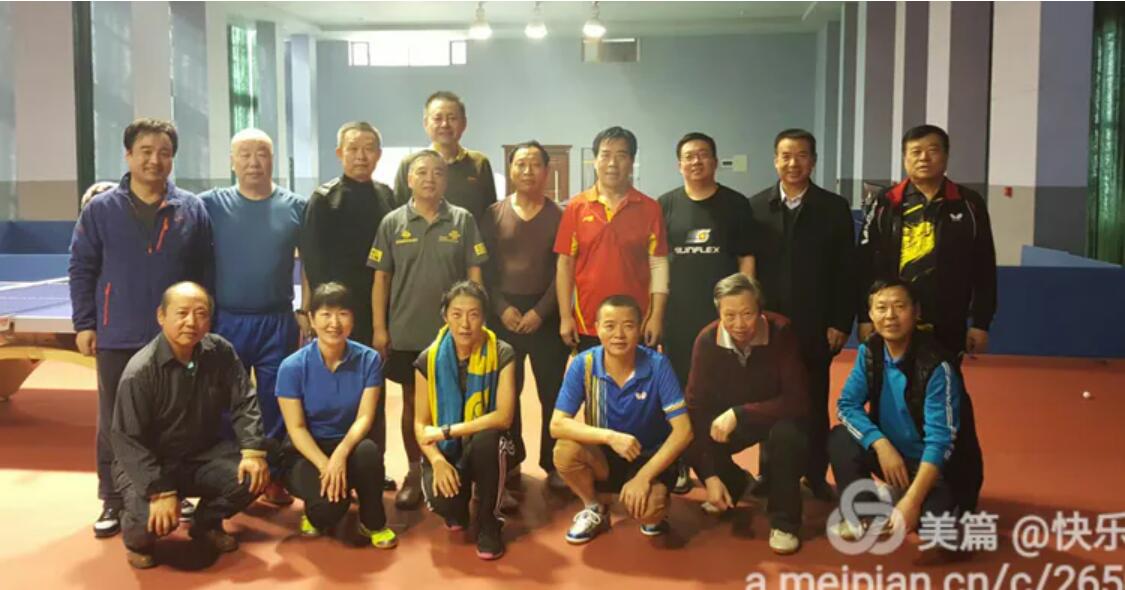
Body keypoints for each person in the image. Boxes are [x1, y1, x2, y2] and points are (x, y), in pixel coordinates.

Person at [69, 118, 213, 538]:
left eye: (164, 152)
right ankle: (113, 498)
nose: (155, 160)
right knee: (114, 421)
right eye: (146, 151)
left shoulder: (192, 209)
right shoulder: (100, 209)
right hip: (118, 332)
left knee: (177, 419)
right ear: (128, 155)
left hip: (177, 337)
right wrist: (85, 323)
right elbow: (81, 267)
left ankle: (175, 490)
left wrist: (203, 324)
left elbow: (205, 272)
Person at [111, 282, 269, 569]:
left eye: (201, 313)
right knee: (151, 521)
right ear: (161, 316)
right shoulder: (140, 372)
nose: (192, 322)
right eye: (182, 313)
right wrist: (159, 490)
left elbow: (244, 400)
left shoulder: (220, 351)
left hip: (200, 454)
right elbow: (127, 440)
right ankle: (136, 539)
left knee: (253, 475)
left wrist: (252, 450)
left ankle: (205, 524)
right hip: (149, 462)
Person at [369, 150, 489, 510]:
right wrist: (379, 328)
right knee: (412, 404)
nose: (429, 179)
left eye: (437, 173)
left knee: (464, 402)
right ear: (409, 179)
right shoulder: (392, 222)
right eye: (421, 172)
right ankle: (415, 471)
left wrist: (476, 323)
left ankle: (465, 472)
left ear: (446, 180)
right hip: (407, 332)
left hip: (457, 334)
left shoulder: (463, 220)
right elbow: (381, 279)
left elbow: (475, 273)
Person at [829, 279, 983, 545]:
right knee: (841, 438)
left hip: (939, 470)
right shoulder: (870, 351)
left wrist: (912, 501)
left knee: (940, 538)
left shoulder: (937, 365)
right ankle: (864, 513)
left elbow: (940, 442)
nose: (890, 315)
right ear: (870, 314)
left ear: (916, 312)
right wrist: (880, 444)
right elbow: (847, 405)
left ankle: (911, 497)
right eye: (881, 308)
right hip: (894, 457)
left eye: (899, 306)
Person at [200, 128, 306, 506]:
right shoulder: (210, 204)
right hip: (227, 320)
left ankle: (274, 475)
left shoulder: (296, 206)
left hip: (277, 320)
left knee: (275, 402)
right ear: (232, 161)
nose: (253, 162)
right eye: (244, 154)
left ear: (272, 159)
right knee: (226, 401)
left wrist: (305, 310)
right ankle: (232, 476)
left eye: (261, 154)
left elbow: (311, 264)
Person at [748, 128, 855, 501]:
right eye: (786, 155)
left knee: (812, 400)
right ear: (775, 160)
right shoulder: (756, 207)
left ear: (813, 161)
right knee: (767, 399)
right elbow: (748, 270)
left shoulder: (833, 208)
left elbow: (846, 270)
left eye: (801, 155)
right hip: (768, 327)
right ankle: (769, 472)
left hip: (815, 326)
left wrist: (840, 321)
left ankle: (813, 473)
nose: (793, 163)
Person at [300, 121, 397, 491]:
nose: (361, 156)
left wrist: (384, 318)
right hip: (336, 314)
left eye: (368, 148)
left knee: (373, 390)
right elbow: (313, 261)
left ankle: (372, 467)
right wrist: (322, 315)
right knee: (334, 391)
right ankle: (329, 466)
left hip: (376, 312)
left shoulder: (387, 196)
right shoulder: (324, 199)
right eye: (353, 148)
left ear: (378, 154)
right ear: (340, 153)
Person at [658, 132, 756, 495]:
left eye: (702, 155)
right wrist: (656, 314)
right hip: (679, 319)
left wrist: (746, 309)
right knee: (680, 394)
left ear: (714, 161)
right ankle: (682, 462)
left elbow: (746, 258)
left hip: (724, 321)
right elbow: (657, 264)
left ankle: (719, 464)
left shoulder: (736, 204)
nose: (695, 161)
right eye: (688, 156)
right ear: (679, 165)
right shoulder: (666, 205)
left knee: (722, 393)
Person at [550, 295, 693, 544]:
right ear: (597, 328)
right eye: (610, 325)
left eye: (628, 326)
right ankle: (594, 507)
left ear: (640, 328)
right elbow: (557, 424)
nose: (618, 334)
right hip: (606, 454)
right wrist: (610, 437)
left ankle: (649, 503)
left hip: (649, 456)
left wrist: (643, 477)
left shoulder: (658, 365)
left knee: (652, 510)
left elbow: (684, 431)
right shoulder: (584, 364)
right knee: (564, 450)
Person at [684, 274, 808, 555]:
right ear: (719, 313)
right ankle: (733, 482)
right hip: (729, 421)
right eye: (729, 315)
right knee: (689, 431)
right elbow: (695, 407)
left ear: (760, 309)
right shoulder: (707, 340)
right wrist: (709, 475)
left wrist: (739, 413)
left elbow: (797, 400)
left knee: (788, 436)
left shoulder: (781, 331)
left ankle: (785, 522)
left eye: (747, 314)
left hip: (774, 416)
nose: (739, 324)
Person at [856, 124, 997, 359]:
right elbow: (864, 262)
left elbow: (984, 266)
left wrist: (981, 323)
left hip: (948, 319)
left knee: (944, 379)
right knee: (892, 379)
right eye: (916, 151)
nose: (924, 158)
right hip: (893, 318)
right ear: (905, 158)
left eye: (932, 150)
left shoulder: (968, 203)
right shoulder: (886, 202)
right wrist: (864, 316)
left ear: (946, 156)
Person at [276, 283, 397, 548]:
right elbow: (296, 428)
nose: (334, 323)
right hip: (307, 451)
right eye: (325, 314)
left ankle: (373, 522)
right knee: (329, 511)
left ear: (353, 319)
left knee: (368, 452)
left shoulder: (369, 360)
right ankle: (315, 510)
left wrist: (340, 455)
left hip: (349, 445)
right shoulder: (291, 367)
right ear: (311, 319)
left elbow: (365, 417)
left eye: (343, 314)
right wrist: (325, 465)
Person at [479, 140, 569, 490]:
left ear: (547, 171)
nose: (527, 171)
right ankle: (512, 461)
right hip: (503, 315)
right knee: (506, 394)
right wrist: (501, 308)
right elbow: (483, 268)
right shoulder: (492, 214)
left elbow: (564, 270)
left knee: (553, 392)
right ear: (511, 169)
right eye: (520, 164)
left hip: (547, 314)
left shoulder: (561, 215)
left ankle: (553, 462)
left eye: (535, 164)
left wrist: (540, 312)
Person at [413, 281, 518, 560]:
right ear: (445, 316)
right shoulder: (428, 359)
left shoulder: (502, 353)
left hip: (485, 445)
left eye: (473, 314)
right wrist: (437, 460)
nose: (465, 324)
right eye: (457, 314)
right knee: (448, 508)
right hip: (446, 451)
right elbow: (421, 425)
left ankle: (489, 522)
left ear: (484, 317)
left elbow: (504, 417)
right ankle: (458, 505)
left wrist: (448, 431)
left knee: (488, 439)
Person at [555, 127, 670, 352]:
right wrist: (565, 316)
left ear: (632, 161)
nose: (612, 163)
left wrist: (656, 316)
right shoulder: (576, 207)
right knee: (592, 375)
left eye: (621, 155)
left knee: (636, 375)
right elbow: (565, 264)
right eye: (605, 155)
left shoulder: (650, 208)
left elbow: (658, 265)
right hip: (588, 322)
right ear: (595, 161)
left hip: (636, 323)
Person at [393, 91, 497, 221]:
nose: (445, 124)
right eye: (438, 118)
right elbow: (398, 216)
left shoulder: (479, 163)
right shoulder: (410, 164)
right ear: (426, 123)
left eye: (452, 118)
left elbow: (490, 216)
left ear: (464, 123)